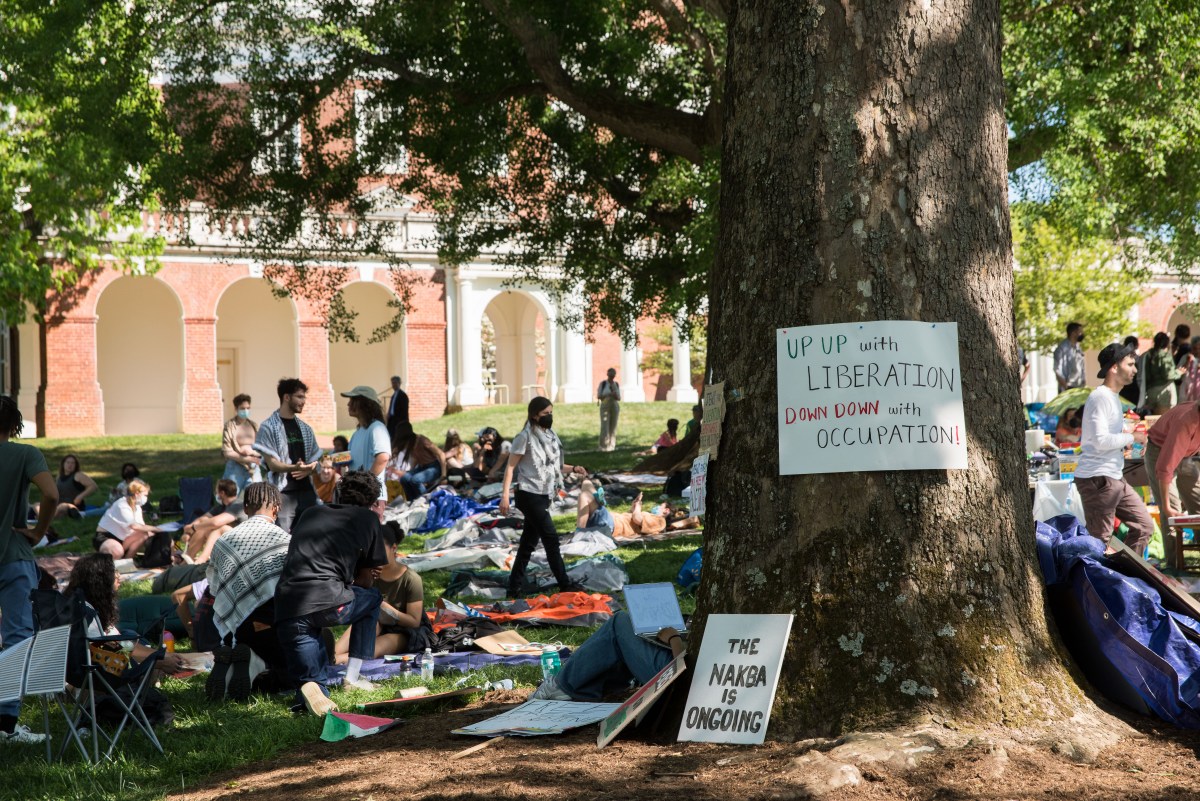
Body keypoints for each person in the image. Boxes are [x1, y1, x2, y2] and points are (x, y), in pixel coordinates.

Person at [274, 471, 389, 716]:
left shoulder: (312, 512)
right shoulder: (368, 519)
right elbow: (366, 582)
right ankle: (353, 677)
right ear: (372, 500)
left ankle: (308, 693)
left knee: (312, 682)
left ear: (338, 492)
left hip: (287, 606)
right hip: (328, 602)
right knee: (372, 599)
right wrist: (359, 574)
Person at [0, 396, 58, 744]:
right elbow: (50, 494)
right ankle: (5, 723)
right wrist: (38, 532)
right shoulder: (24, 454)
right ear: (15, 425)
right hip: (13, 553)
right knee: (16, 637)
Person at [205, 482, 292, 701]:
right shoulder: (284, 541)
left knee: (254, 641)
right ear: (276, 508)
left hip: (239, 627)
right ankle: (258, 665)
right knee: (294, 669)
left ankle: (238, 666)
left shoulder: (224, 542)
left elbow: (215, 588)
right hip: (276, 626)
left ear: (245, 509)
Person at [500, 397, 588, 597]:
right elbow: (510, 467)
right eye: (545, 414)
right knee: (550, 538)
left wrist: (573, 468)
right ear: (534, 415)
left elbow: (553, 466)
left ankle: (513, 588)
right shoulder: (524, 437)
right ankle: (565, 584)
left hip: (544, 495)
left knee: (527, 544)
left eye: (551, 413)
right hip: (528, 494)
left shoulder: (550, 436)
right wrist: (505, 496)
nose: (549, 417)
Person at [1074, 343, 1153, 554]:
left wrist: (1129, 431)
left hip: (1114, 476)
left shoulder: (1113, 398)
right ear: (1114, 368)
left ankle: (1124, 577)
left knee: (1144, 526)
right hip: (1097, 478)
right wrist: (1131, 436)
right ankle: (1104, 582)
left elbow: (1105, 434)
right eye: (1130, 364)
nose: (1135, 370)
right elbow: (1099, 440)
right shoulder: (1100, 397)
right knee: (1099, 543)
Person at [66, 553, 187, 674]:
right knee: (141, 652)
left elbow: (120, 643)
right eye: (114, 571)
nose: (119, 575)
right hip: (103, 672)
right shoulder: (87, 617)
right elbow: (110, 654)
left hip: (107, 659)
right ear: (100, 580)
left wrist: (162, 656)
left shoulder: (83, 604)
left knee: (130, 635)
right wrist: (160, 661)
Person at [530, 610, 685, 701]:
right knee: (631, 628)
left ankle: (562, 685)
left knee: (619, 621)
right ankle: (607, 688)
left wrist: (674, 639)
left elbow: (681, 672)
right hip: (678, 654)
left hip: (672, 672)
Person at [334, 520, 431, 662]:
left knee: (370, 649)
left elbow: (414, 622)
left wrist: (384, 607)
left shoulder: (411, 579)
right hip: (377, 623)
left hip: (406, 632)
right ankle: (331, 654)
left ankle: (336, 660)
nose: (375, 556)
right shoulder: (370, 575)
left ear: (394, 548)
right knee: (362, 625)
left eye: (380, 551)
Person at [254, 378, 321, 533]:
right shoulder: (268, 427)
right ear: (286, 397)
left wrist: (311, 467)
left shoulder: (305, 428)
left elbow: (316, 459)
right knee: (283, 538)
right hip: (283, 493)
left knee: (311, 535)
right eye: (299, 397)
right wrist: (295, 468)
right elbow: (272, 464)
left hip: (307, 492)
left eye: (304, 397)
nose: (303, 401)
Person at [1143, 398, 1200, 570]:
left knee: (1198, 502)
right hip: (1159, 451)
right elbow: (1165, 468)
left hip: (1187, 455)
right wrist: (1167, 506)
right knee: (1173, 513)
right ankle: (1175, 567)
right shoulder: (1186, 423)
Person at [95, 479, 167, 559]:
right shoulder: (122, 505)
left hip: (124, 537)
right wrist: (157, 528)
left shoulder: (137, 507)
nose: (146, 498)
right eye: (145, 495)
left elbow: (142, 527)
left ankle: (128, 560)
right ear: (137, 494)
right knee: (117, 551)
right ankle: (111, 562)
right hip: (107, 537)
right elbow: (135, 526)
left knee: (143, 534)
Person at [341, 386, 391, 502]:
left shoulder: (377, 428)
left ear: (365, 404)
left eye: (353, 401)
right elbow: (351, 457)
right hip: (358, 496)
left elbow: (383, 458)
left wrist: (366, 485)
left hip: (372, 497)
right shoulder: (357, 433)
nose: (349, 405)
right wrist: (329, 460)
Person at [180, 479, 248, 563]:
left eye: (217, 491)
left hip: (242, 543)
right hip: (228, 542)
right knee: (205, 525)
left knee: (217, 527)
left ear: (222, 493)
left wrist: (193, 528)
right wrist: (188, 531)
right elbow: (202, 519)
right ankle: (187, 560)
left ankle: (200, 561)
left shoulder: (238, 505)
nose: (216, 494)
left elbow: (216, 522)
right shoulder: (221, 507)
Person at [387, 422, 445, 501]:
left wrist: (444, 474)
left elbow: (441, 454)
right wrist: (410, 472)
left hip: (434, 467)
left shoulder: (422, 440)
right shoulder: (411, 443)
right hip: (422, 467)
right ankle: (411, 500)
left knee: (415, 479)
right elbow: (416, 460)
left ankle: (425, 500)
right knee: (404, 478)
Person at [221, 394, 261, 493]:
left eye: (248, 408)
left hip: (253, 467)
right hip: (235, 467)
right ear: (236, 408)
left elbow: (262, 448)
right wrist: (247, 458)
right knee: (229, 498)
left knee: (257, 498)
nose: (246, 411)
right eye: (242, 408)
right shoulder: (229, 426)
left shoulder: (254, 425)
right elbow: (227, 451)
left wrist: (254, 455)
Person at [1144, 332, 1184, 414]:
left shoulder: (1148, 354)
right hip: (1164, 391)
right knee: (1163, 421)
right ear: (1167, 343)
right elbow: (1168, 374)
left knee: (1153, 420)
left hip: (1151, 391)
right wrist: (1179, 372)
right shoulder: (1164, 355)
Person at [52, 455, 99, 519]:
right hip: (58, 504)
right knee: (36, 505)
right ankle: (42, 517)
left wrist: (80, 496)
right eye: (68, 462)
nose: (70, 465)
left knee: (62, 506)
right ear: (63, 464)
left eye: (73, 463)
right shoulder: (59, 476)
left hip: (72, 506)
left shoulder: (78, 475)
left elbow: (93, 486)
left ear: (75, 465)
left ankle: (46, 518)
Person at [1053, 322, 1086, 392]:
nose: (1082, 334)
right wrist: (1066, 387)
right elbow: (1057, 370)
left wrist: (1083, 382)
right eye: (1080, 332)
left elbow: (1081, 367)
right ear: (1073, 333)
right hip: (1068, 388)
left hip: (1079, 387)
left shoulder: (1078, 348)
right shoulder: (1062, 349)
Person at [597, 367, 621, 452]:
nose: (612, 376)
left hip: (614, 405)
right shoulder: (603, 384)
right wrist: (608, 394)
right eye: (610, 374)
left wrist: (614, 394)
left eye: (613, 374)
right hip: (605, 405)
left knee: (613, 426)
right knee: (605, 426)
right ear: (607, 374)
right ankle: (603, 446)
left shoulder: (616, 384)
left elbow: (619, 398)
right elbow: (599, 396)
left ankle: (612, 445)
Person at [1118, 336, 1142, 408]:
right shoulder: (1138, 359)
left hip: (1123, 387)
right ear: (1136, 345)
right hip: (1134, 387)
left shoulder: (1120, 358)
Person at [1181, 336, 1200, 403]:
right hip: (1186, 391)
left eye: (1199, 349)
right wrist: (1187, 362)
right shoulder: (1186, 357)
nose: (1197, 351)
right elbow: (1179, 372)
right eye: (1195, 349)